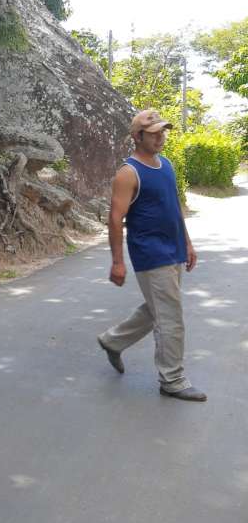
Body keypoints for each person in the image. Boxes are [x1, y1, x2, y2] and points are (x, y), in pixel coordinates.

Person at [97, 109, 207, 402]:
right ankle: (172, 380)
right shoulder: (128, 173)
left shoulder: (166, 164)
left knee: (157, 307)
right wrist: (118, 262)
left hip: (173, 250)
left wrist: (187, 242)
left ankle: (113, 340)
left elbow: (173, 209)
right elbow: (114, 219)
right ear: (137, 136)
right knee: (170, 317)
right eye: (154, 132)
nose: (160, 136)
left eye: (163, 131)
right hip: (151, 253)